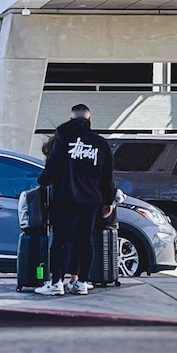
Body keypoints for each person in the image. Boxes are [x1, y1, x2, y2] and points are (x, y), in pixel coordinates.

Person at [35, 104, 114, 296]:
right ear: (89, 120)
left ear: (71, 120)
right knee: (85, 240)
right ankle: (81, 282)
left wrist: (42, 180)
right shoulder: (101, 143)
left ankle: (56, 283)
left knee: (62, 240)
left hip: (66, 198)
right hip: (91, 201)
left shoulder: (63, 139)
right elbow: (107, 176)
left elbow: (52, 169)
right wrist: (108, 201)